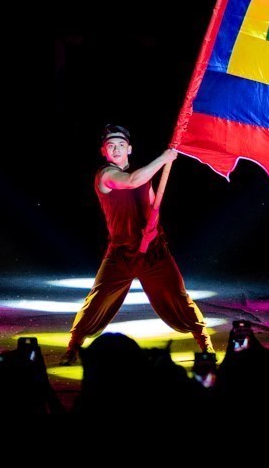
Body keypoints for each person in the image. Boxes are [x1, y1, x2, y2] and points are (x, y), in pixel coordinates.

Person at [61, 124, 212, 366]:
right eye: (111, 146)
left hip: (153, 252)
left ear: (129, 149)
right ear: (103, 151)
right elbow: (131, 181)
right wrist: (164, 158)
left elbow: (152, 205)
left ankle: (206, 345)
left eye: (121, 145)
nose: (116, 149)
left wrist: (153, 225)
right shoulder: (105, 175)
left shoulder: (143, 176)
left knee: (178, 297)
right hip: (121, 254)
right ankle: (73, 347)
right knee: (97, 301)